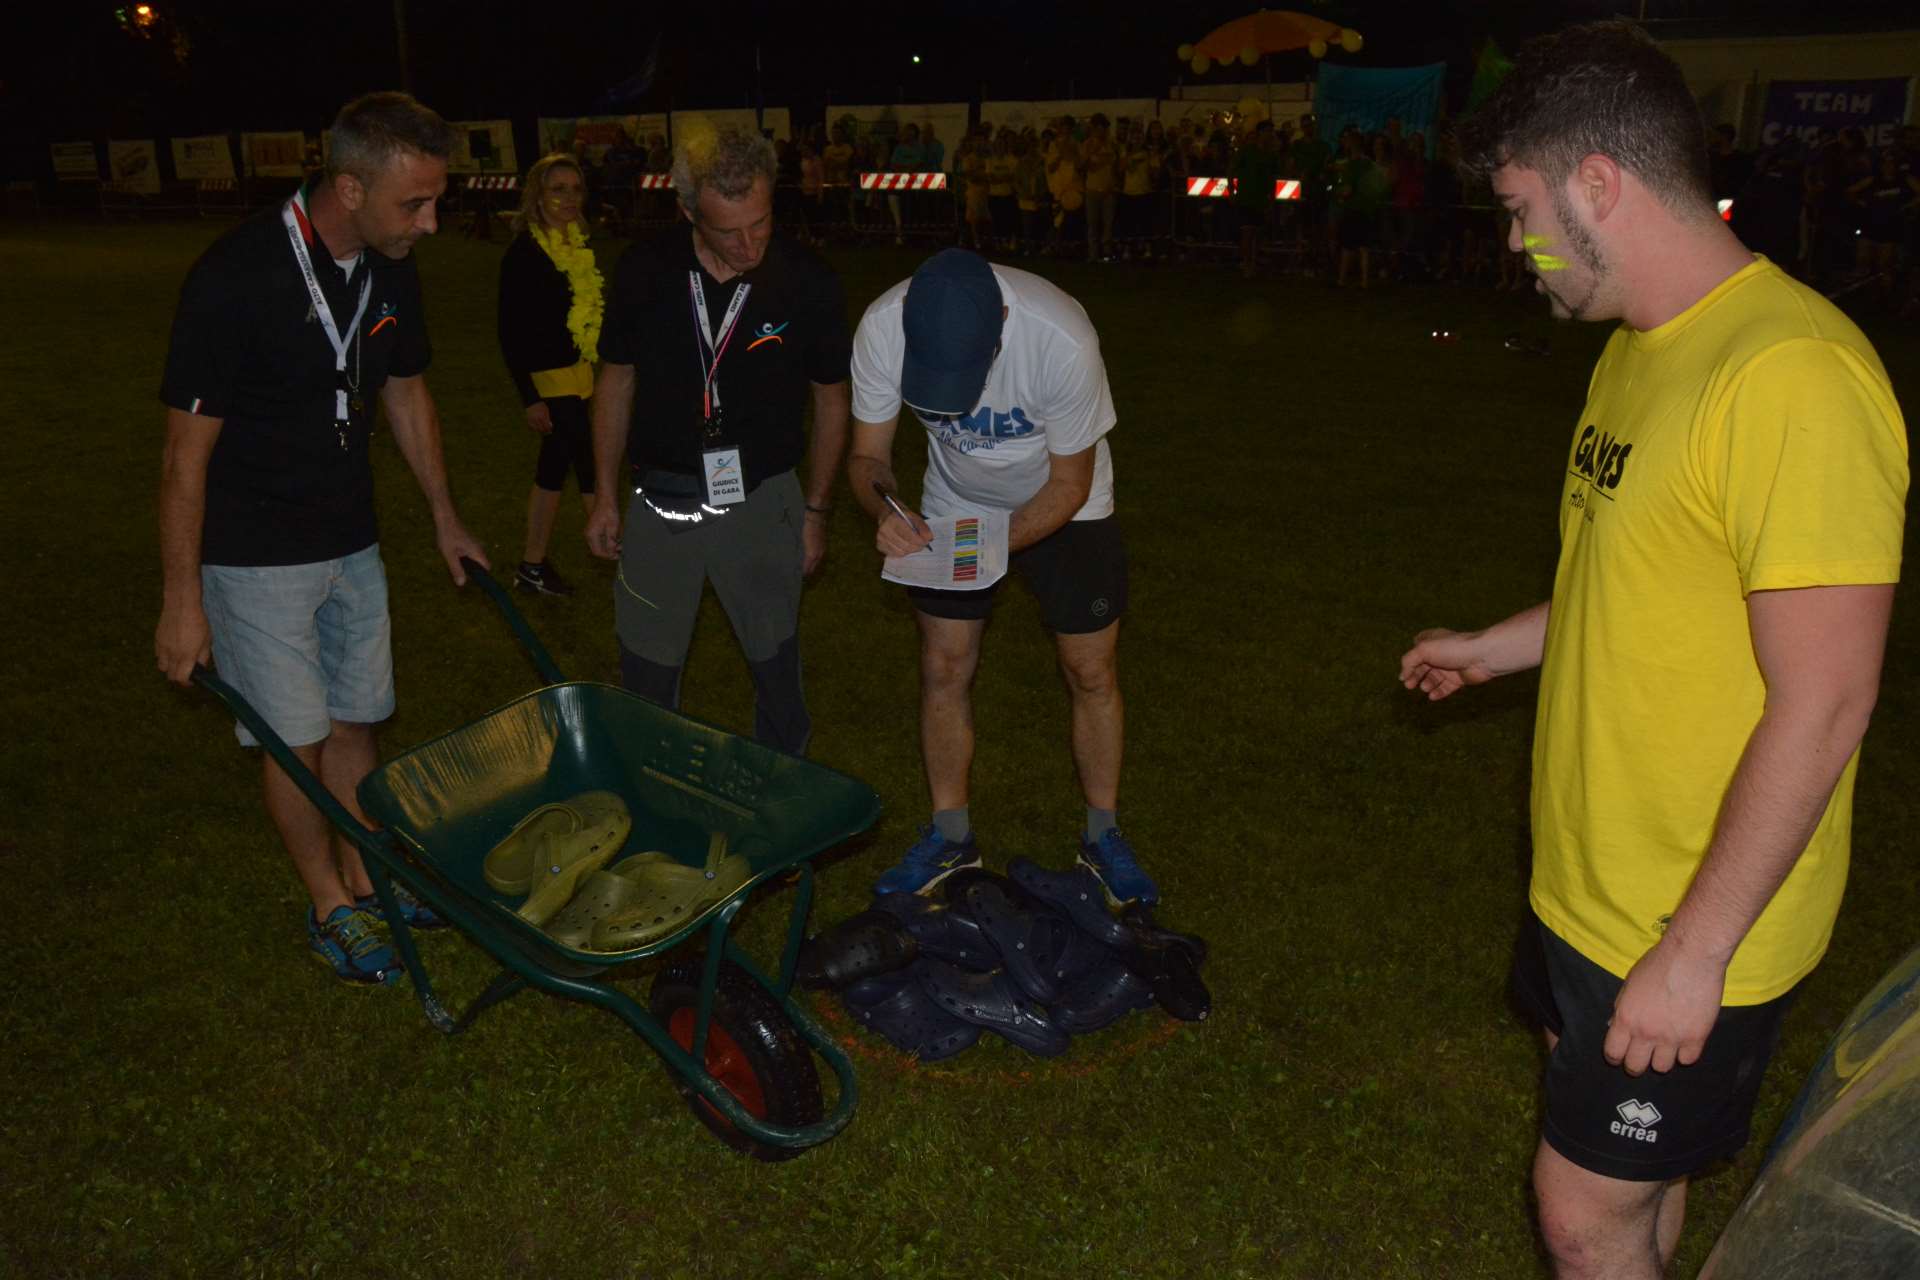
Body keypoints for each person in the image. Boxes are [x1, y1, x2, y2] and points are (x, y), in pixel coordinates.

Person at [1398, 23, 1908, 1279]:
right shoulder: (1638, 349)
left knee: (1583, 1217)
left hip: (1689, 913)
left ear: (1598, 184)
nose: (1513, 242)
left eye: (1520, 210)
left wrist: (1693, 953)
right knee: (1635, 1191)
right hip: (1586, 882)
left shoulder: (1792, 376)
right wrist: (1496, 647)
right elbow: (1634, 583)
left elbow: (1828, 698)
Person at [156, 91, 488, 984]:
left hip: (352, 539)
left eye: (435, 200)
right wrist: (183, 601)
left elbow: (405, 390)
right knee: (294, 741)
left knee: (355, 719)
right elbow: (185, 457)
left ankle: (370, 875)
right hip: (255, 557)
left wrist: (444, 515)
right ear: (349, 188)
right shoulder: (236, 276)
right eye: (414, 203)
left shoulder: (389, 265)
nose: (430, 222)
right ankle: (329, 903)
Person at [847, 249, 1155, 906]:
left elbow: (1070, 482)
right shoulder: (881, 326)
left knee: (1090, 670)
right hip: (955, 500)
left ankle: (1103, 836)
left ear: (1001, 328)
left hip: (1068, 503)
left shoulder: (1061, 337)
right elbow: (868, 455)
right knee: (944, 666)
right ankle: (950, 836)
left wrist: (989, 546)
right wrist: (888, 509)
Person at [585, 123, 850, 756]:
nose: (750, 243)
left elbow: (831, 398)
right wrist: (603, 495)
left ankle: (781, 781)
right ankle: (649, 782)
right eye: (729, 231)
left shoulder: (807, 279)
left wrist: (815, 511)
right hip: (660, 498)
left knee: (774, 658)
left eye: (761, 222)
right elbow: (615, 382)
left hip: (762, 495)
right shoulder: (646, 270)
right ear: (687, 212)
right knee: (647, 666)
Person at [497, 152, 603, 597]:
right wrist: (530, 397)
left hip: (580, 373)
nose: (569, 198)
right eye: (558, 189)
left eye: (576, 189)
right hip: (548, 379)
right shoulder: (525, 253)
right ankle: (611, 548)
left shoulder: (578, 245)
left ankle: (533, 565)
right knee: (582, 461)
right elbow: (509, 331)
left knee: (561, 466)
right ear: (537, 197)